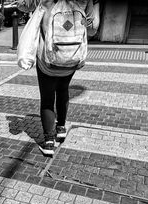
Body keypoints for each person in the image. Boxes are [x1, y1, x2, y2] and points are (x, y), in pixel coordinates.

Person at [36, 0, 100, 155]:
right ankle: (61, 128)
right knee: (63, 90)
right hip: (72, 56)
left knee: (47, 99)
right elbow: (93, 29)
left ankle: (49, 142)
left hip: (48, 59)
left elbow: (23, 5)